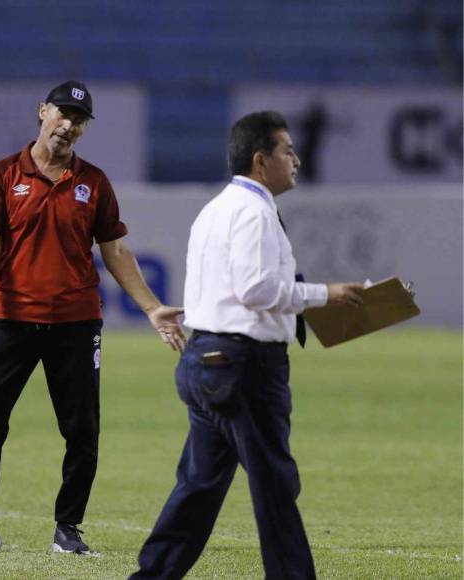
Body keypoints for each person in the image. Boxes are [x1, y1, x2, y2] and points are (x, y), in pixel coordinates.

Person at [0, 80, 186, 556]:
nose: (68, 124)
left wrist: (151, 307)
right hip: (12, 318)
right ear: (42, 111)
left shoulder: (95, 183)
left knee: (82, 431)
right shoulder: (4, 174)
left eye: (78, 119)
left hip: (76, 323)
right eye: (61, 113)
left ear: (84, 128)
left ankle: (69, 529)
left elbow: (117, 251)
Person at [129, 111, 364, 579]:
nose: (296, 158)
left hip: (207, 361)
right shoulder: (255, 212)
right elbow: (255, 290)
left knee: (199, 486)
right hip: (244, 365)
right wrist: (326, 294)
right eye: (287, 150)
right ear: (261, 160)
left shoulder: (215, 209)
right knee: (275, 485)